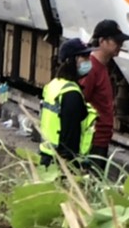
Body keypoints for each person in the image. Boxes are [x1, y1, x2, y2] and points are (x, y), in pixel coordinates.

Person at [41, 39, 97, 167]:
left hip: (48, 156)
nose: (89, 61)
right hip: (62, 162)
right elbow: (70, 136)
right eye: (84, 57)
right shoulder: (71, 94)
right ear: (71, 60)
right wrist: (73, 166)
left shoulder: (54, 85)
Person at [82, 19, 129, 166]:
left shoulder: (102, 67)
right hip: (92, 140)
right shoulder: (91, 69)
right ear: (102, 41)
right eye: (116, 42)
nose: (120, 46)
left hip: (101, 139)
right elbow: (81, 101)